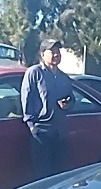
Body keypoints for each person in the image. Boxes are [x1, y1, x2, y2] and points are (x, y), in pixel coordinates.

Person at [21, 39, 75, 179]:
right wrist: (32, 126)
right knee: (43, 175)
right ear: (42, 54)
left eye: (58, 52)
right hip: (41, 132)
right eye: (52, 51)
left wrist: (67, 104)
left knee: (58, 174)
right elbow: (26, 99)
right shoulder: (34, 73)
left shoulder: (63, 77)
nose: (56, 55)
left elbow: (72, 99)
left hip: (59, 131)